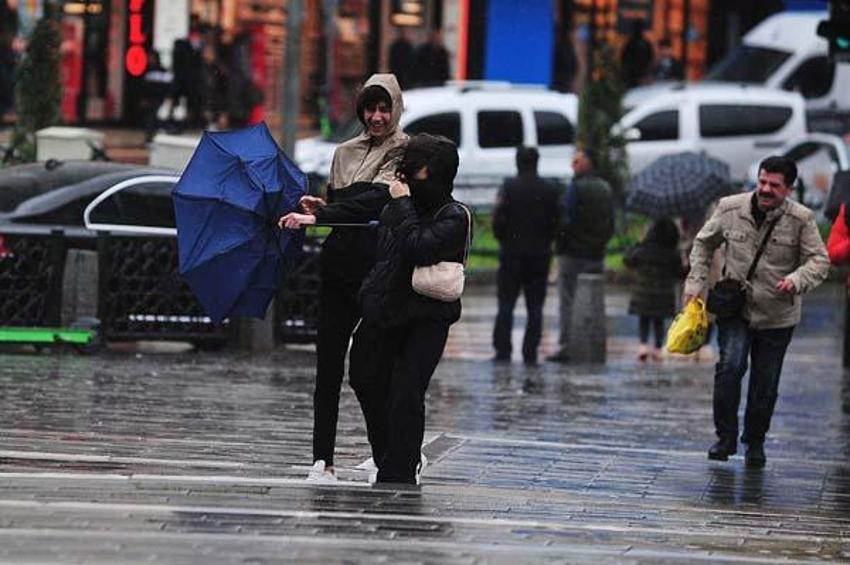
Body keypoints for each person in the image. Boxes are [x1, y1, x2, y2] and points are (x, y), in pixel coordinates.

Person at [278, 74, 407, 482]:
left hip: (378, 269)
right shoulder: (344, 153)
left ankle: (387, 451)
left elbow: (375, 201)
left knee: (372, 368)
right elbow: (346, 206)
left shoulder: (404, 150)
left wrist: (322, 214)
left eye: (384, 108)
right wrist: (323, 205)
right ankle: (323, 459)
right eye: (370, 108)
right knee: (327, 364)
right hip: (338, 265)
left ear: (396, 109)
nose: (377, 117)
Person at [684, 156, 829, 468]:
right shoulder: (729, 208)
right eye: (762, 181)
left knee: (766, 381)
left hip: (778, 314)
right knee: (730, 368)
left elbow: (819, 260)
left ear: (788, 189)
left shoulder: (801, 219)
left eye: (774, 185)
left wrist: (796, 279)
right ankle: (725, 438)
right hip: (735, 308)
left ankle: (755, 441)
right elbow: (702, 243)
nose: (765, 189)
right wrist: (695, 282)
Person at [350, 133, 469, 485]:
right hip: (386, 309)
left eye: (414, 171)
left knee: (406, 391)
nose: (406, 179)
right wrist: (317, 213)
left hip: (426, 318)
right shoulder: (398, 204)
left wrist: (402, 207)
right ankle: (389, 454)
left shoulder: (453, 216)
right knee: (365, 377)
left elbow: (418, 247)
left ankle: (398, 471)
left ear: (434, 173)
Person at [492, 147, 560, 366]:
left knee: (506, 305)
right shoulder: (550, 188)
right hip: (540, 255)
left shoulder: (509, 187)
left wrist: (504, 238)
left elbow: (498, 220)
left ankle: (503, 350)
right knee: (535, 307)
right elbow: (558, 222)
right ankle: (530, 351)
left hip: (512, 253)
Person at [547, 148, 615, 363]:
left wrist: (561, 243)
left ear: (588, 163)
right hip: (596, 253)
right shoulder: (605, 188)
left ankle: (567, 346)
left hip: (573, 253)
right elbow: (611, 222)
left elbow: (565, 219)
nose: (572, 165)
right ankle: (592, 343)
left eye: (577, 161)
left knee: (568, 300)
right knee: (594, 298)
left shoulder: (575, 188)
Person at [624, 218, 685, 362]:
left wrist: (638, 243)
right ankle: (658, 348)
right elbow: (681, 274)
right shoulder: (672, 254)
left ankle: (643, 345)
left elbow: (628, 260)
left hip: (643, 294)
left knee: (644, 319)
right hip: (663, 295)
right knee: (659, 320)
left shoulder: (643, 249)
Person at [620, 20, 654, 88]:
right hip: (637, 76)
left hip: (635, 76)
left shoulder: (630, 43)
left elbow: (624, 59)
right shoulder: (645, 43)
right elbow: (651, 58)